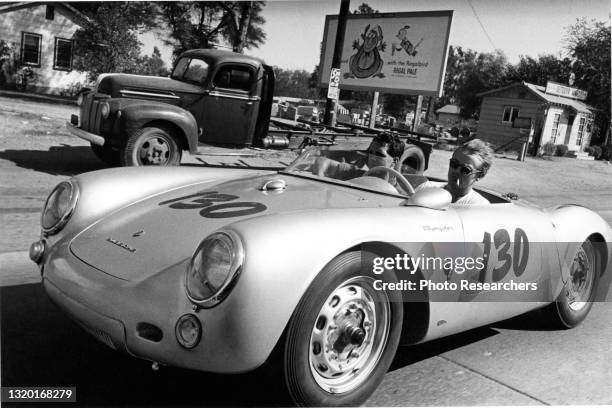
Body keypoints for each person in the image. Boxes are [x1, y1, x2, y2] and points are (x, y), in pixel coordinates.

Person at [416, 138, 493, 205]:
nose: (456, 171)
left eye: (465, 169)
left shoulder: (479, 206)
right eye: (454, 164)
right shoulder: (426, 188)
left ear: (479, 175)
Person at [313, 132, 405, 180]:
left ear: (394, 161)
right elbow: (322, 161)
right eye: (370, 152)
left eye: (378, 154)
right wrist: (319, 177)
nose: (372, 157)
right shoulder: (360, 175)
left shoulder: (400, 194)